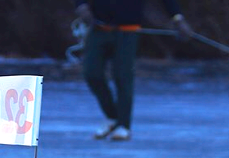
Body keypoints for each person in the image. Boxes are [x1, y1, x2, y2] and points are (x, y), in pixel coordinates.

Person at [74, 1, 192, 141]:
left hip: (128, 29)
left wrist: (177, 18)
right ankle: (112, 117)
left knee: (123, 75)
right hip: (99, 26)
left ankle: (123, 125)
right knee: (91, 73)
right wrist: (81, 4)